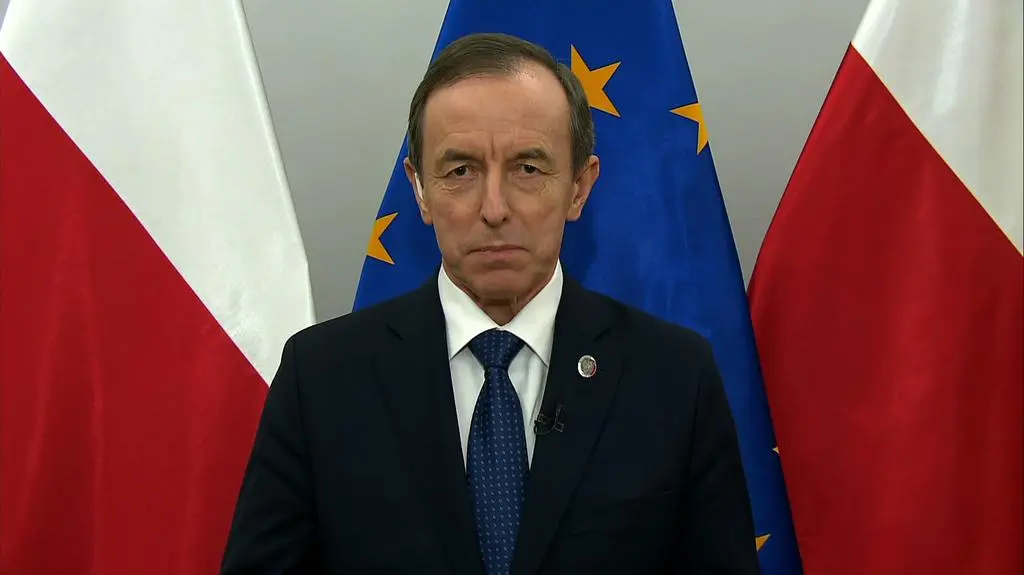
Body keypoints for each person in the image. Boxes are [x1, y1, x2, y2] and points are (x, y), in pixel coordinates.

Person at [221, 32, 760, 575]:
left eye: (528, 168)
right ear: (420, 189)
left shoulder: (673, 377)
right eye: (461, 171)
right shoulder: (321, 379)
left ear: (579, 187)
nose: (495, 208)